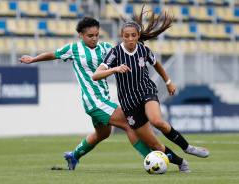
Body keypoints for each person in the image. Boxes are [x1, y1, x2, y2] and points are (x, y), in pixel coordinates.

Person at [18, 16, 153, 171]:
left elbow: (124, 55)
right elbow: (52, 54)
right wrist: (33, 59)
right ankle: (150, 157)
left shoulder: (105, 48)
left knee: (103, 134)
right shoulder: (73, 49)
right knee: (129, 123)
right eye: (90, 36)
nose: (94, 38)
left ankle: (73, 156)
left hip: (104, 98)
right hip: (93, 101)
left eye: (96, 35)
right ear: (81, 35)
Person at [92, 4, 209, 172]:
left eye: (133, 35)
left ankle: (187, 147)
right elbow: (96, 75)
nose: (130, 39)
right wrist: (115, 69)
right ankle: (181, 163)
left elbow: (157, 65)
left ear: (138, 35)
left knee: (157, 121)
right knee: (154, 144)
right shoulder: (115, 53)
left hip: (146, 91)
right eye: (127, 36)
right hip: (129, 103)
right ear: (121, 36)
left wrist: (168, 82)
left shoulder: (144, 50)